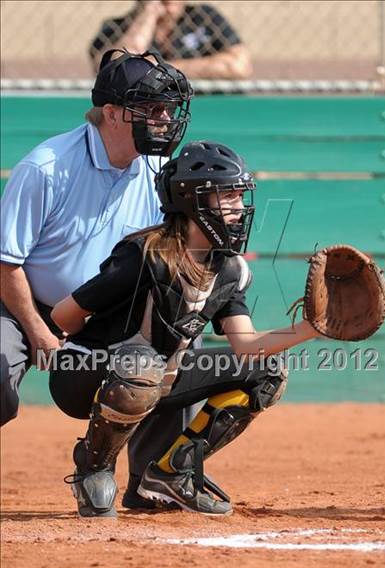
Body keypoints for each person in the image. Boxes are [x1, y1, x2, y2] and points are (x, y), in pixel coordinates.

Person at [49, 141, 321, 518]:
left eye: (240, 196)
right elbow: (65, 316)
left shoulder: (229, 269)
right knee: (140, 365)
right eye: (227, 195)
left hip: (154, 375)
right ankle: (93, 467)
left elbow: (247, 347)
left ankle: (170, 472)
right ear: (192, 200)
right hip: (85, 374)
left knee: (266, 373)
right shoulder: (145, 255)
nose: (239, 208)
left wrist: (312, 327)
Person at [0, 48, 193, 427]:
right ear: (111, 113)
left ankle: (157, 479)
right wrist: (39, 331)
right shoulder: (47, 168)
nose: (166, 121)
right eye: (153, 110)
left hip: (105, 309)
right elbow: (6, 262)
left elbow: (168, 258)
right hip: (25, 305)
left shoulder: (160, 172)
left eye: (168, 110)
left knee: (182, 349)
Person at [89, 0, 252, 79]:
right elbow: (119, 69)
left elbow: (239, 66)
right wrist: (148, 15)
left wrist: (158, 69)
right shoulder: (116, 27)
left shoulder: (204, 16)